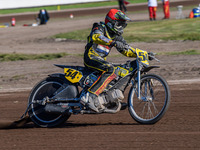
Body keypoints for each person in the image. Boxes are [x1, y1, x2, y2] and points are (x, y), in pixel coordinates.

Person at [81, 9, 147, 112]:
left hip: (101, 60)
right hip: (91, 57)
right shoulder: (100, 27)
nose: (121, 27)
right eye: (119, 24)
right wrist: (112, 42)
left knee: (121, 70)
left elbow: (127, 50)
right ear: (111, 22)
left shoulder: (117, 36)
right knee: (111, 69)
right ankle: (91, 96)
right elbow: (96, 36)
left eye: (122, 24)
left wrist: (143, 53)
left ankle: (110, 100)